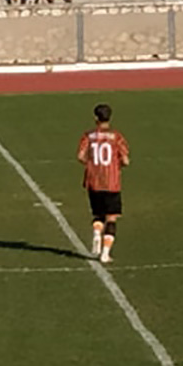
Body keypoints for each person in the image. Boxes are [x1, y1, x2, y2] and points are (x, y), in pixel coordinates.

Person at [77, 104, 130, 264]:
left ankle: (96, 232)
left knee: (98, 215)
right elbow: (125, 160)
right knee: (111, 218)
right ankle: (105, 254)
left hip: (93, 181)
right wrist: (117, 165)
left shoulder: (88, 136)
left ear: (96, 118)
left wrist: (92, 164)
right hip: (111, 182)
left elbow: (80, 156)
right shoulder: (116, 137)